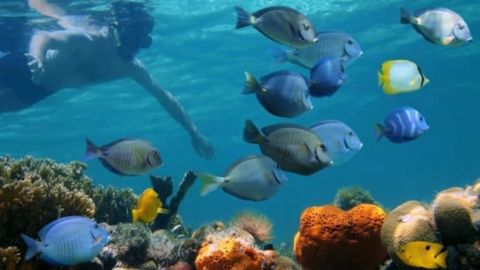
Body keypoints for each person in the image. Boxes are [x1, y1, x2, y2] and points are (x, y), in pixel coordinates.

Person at [0, 0, 214, 159]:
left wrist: (194, 132)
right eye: (131, 38)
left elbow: (164, 97)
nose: (134, 47)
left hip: (42, 89)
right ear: (116, 29)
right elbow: (43, 37)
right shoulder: (89, 38)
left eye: (142, 42)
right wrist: (36, 59)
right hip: (25, 64)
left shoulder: (131, 67)